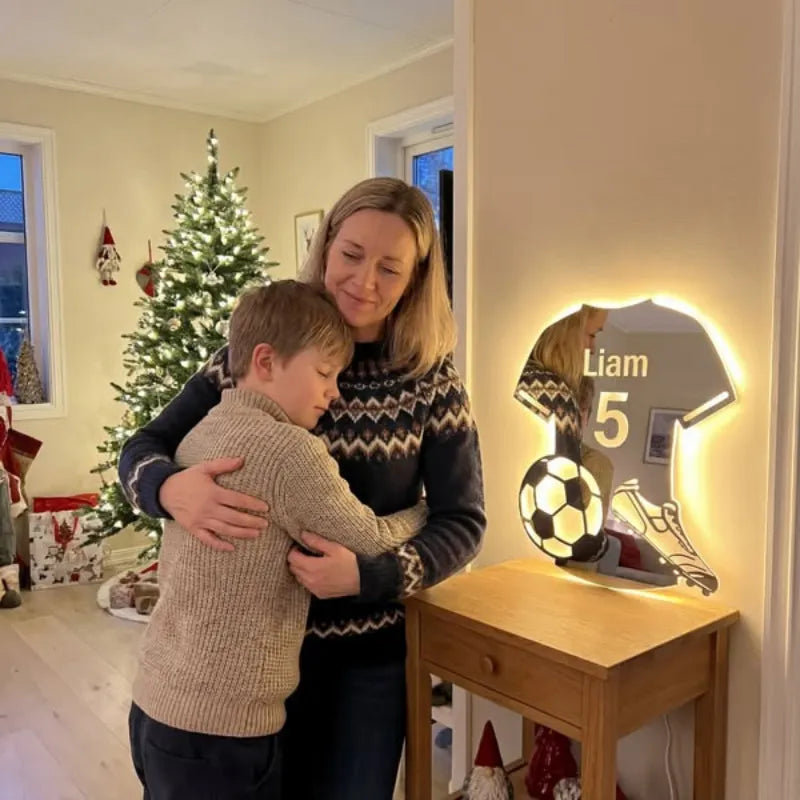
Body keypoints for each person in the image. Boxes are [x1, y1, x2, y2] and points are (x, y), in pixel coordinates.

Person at [118, 177, 486, 800]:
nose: (364, 282)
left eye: (390, 268)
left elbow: (465, 523)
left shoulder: (432, 382)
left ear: (416, 279)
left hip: (363, 668)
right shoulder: (257, 353)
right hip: (238, 675)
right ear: (326, 245)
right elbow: (141, 447)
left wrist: (370, 577)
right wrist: (169, 490)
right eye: (351, 255)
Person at [128, 281, 427, 800]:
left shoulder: (199, 433)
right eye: (324, 373)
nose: (334, 392)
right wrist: (426, 510)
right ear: (266, 361)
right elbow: (371, 538)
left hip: (155, 704)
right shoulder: (289, 451)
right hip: (223, 731)